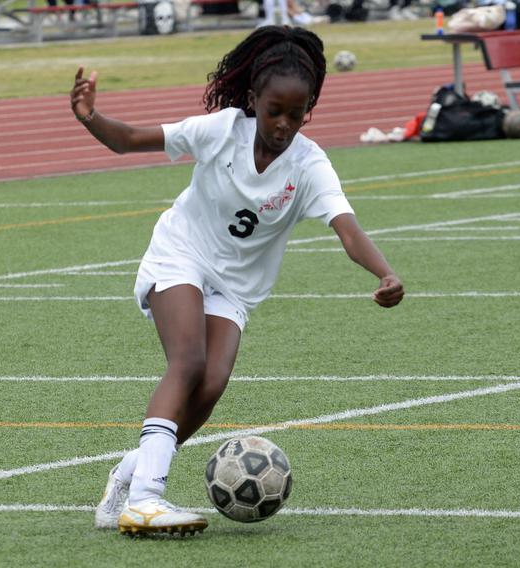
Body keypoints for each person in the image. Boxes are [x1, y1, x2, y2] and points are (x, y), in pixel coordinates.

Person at [72, 25, 405, 536]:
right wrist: (91, 116)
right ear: (254, 99)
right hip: (180, 255)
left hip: (235, 289)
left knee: (209, 386)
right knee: (189, 362)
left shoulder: (310, 165)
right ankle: (145, 499)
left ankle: (129, 474)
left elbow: (348, 230)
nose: (284, 123)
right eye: (275, 110)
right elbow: (130, 140)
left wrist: (384, 271)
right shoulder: (222, 130)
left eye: (297, 114)